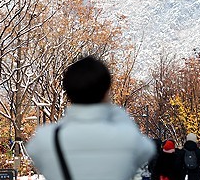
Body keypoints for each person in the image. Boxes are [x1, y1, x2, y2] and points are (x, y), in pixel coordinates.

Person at [26, 55, 155, 180]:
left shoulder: (46, 139)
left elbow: (34, 152)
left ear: (68, 91)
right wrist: (117, 112)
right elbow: (148, 150)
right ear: (106, 91)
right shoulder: (128, 137)